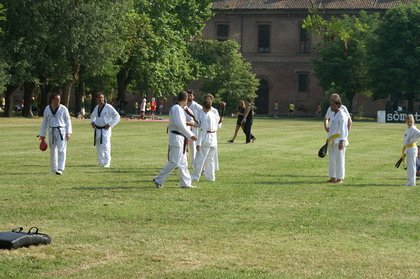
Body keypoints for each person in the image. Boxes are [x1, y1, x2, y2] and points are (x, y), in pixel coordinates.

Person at [153, 91, 197, 188]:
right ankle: (158, 179)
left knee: (183, 163)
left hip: (179, 137)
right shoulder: (177, 109)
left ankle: (186, 183)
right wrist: (191, 135)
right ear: (185, 100)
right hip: (177, 137)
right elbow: (180, 124)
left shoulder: (178, 109)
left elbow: (182, 124)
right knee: (174, 162)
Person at [39, 94, 72, 175]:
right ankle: (54, 168)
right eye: (56, 99)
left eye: (59, 99)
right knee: (53, 150)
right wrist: (42, 134)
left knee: (62, 149)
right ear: (52, 100)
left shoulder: (63, 108)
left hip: (61, 131)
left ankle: (60, 168)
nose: (58, 101)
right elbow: (44, 122)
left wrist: (69, 132)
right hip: (51, 131)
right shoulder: (47, 109)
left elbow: (68, 121)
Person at [192, 99, 220, 182]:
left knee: (199, 159)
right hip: (213, 138)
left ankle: (195, 176)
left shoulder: (205, 116)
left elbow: (203, 130)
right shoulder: (214, 114)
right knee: (210, 160)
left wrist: (198, 143)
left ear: (203, 106)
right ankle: (211, 177)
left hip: (206, 138)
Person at [90, 92, 121, 168]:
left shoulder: (108, 107)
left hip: (105, 129)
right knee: (98, 146)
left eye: (102, 97)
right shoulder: (97, 107)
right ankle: (101, 161)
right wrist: (92, 122)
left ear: (104, 98)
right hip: (97, 129)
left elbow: (117, 116)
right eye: (99, 98)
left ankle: (107, 162)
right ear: (96, 99)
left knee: (106, 146)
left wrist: (110, 124)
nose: (101, 99)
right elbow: (92, 115)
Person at [327, 97, 349, 184]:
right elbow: (332, 128)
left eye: (332, 104)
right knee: (332, 159)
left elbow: (344, 129)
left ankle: (340, 178)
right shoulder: (332, 114)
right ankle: (333, 176)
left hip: (339, 140)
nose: (330, 106)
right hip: (332, 140)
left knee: (340, 159)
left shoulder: (342, 115)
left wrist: (342, 141)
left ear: (338, 105)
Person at [186, 90, 202, 167]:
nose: (189, 97)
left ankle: (194, 164)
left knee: (193, 147)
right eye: (188, 95)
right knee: (184, 147)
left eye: (191, 95)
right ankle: (183, 163)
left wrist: (197, 124)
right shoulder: (183, 105)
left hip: (193, 128)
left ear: (193, 96)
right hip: (184, 128)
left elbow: (201, 117)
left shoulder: (197, 106)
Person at [402, 114, 420, 186]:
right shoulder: (407, 129)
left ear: (413, 121)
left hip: (412, 148)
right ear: (406, 121)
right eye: (408, 121)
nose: (409, 123)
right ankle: (409, 182)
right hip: (408, 148)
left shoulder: (414, 129)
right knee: (410, 166)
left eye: (411, 121)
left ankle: (412, 183)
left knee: (412, 166)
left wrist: (413, 140)